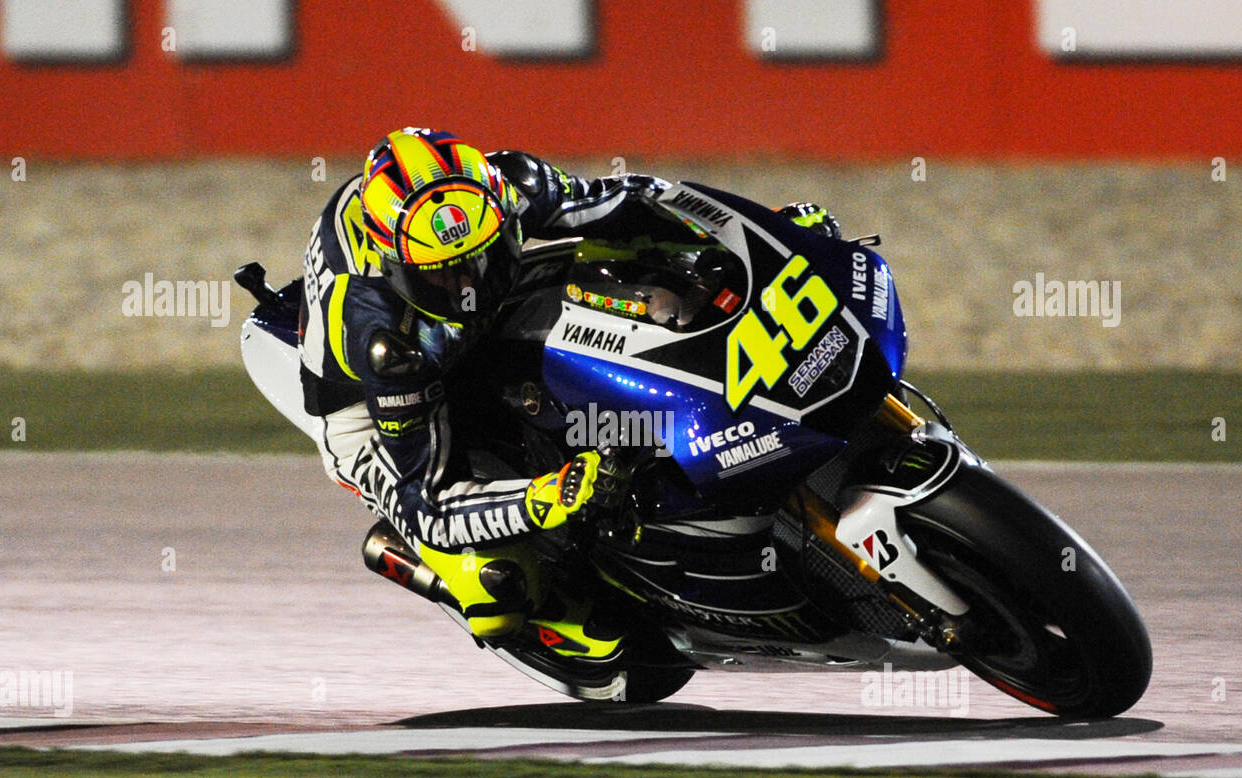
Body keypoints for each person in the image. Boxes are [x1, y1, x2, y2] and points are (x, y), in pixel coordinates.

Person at [297, 126, 840, 664]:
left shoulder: (512, 186)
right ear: (397, 268)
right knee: (496, 589)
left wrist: (771, 236)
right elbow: (429, 504)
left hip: (442, 315)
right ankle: (509, 589)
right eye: (445, 279)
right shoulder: (381, 341)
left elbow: (639, 202)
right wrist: (549, 494)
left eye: (485, 258)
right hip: (365, 412)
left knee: (629, 274)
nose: (471, 288)